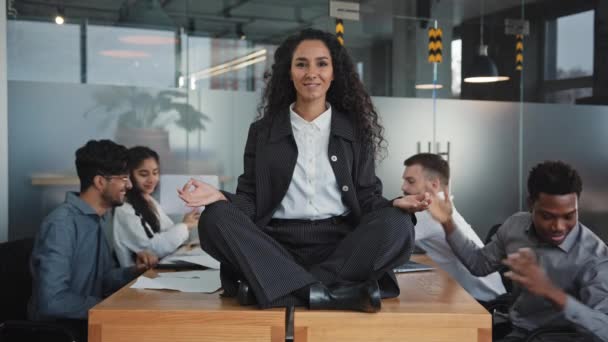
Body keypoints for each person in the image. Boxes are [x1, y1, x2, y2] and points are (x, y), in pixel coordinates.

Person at [178, 28, 430, 312]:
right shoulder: (263, 132)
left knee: (398, 224)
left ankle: (281, 289)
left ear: (334, 73)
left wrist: (396, 204)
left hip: (340, 246)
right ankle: (333, 294)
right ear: (289, 72)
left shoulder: (356, 131)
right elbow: (250, 201)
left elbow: (367, 198)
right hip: (275, 246)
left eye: (321, 63)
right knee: (214, 218)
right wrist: (220, 196)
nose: (312, 72)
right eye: (302, 64)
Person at [427, 160, 608, 341]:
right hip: (514, 330)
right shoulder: (516, 226)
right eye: (547, 216)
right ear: (531, 204)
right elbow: (479, 265)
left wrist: (550, 292)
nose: (559, 227)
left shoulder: (594, 256)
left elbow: (604, 330)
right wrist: (447, 222)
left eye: (569, 216)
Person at [28, 140, 158, 341]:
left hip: (92, 324)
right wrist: (110, 306)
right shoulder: (62, 225)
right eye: (124, 178)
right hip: (64, 332)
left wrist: (134, 270)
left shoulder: (97, 218)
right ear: (100, 182)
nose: (130, 185)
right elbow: (52, 301)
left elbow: (102, 279)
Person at [401, 153, 506, 302]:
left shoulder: (427, 211)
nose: (403, 187)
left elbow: (383, 240)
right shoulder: (437, 206)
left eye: (410, 181)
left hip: (483, 301)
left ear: (434, 185)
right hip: (478, 294)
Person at [112, 146, 200, 267]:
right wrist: (185, 226)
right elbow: (153, 249)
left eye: (155, 172)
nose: (152, 179)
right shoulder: (124, 209)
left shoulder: (149, 200)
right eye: (143, 174)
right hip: (137, 279)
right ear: (129, 175)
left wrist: (187, 225)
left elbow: (168, 236)